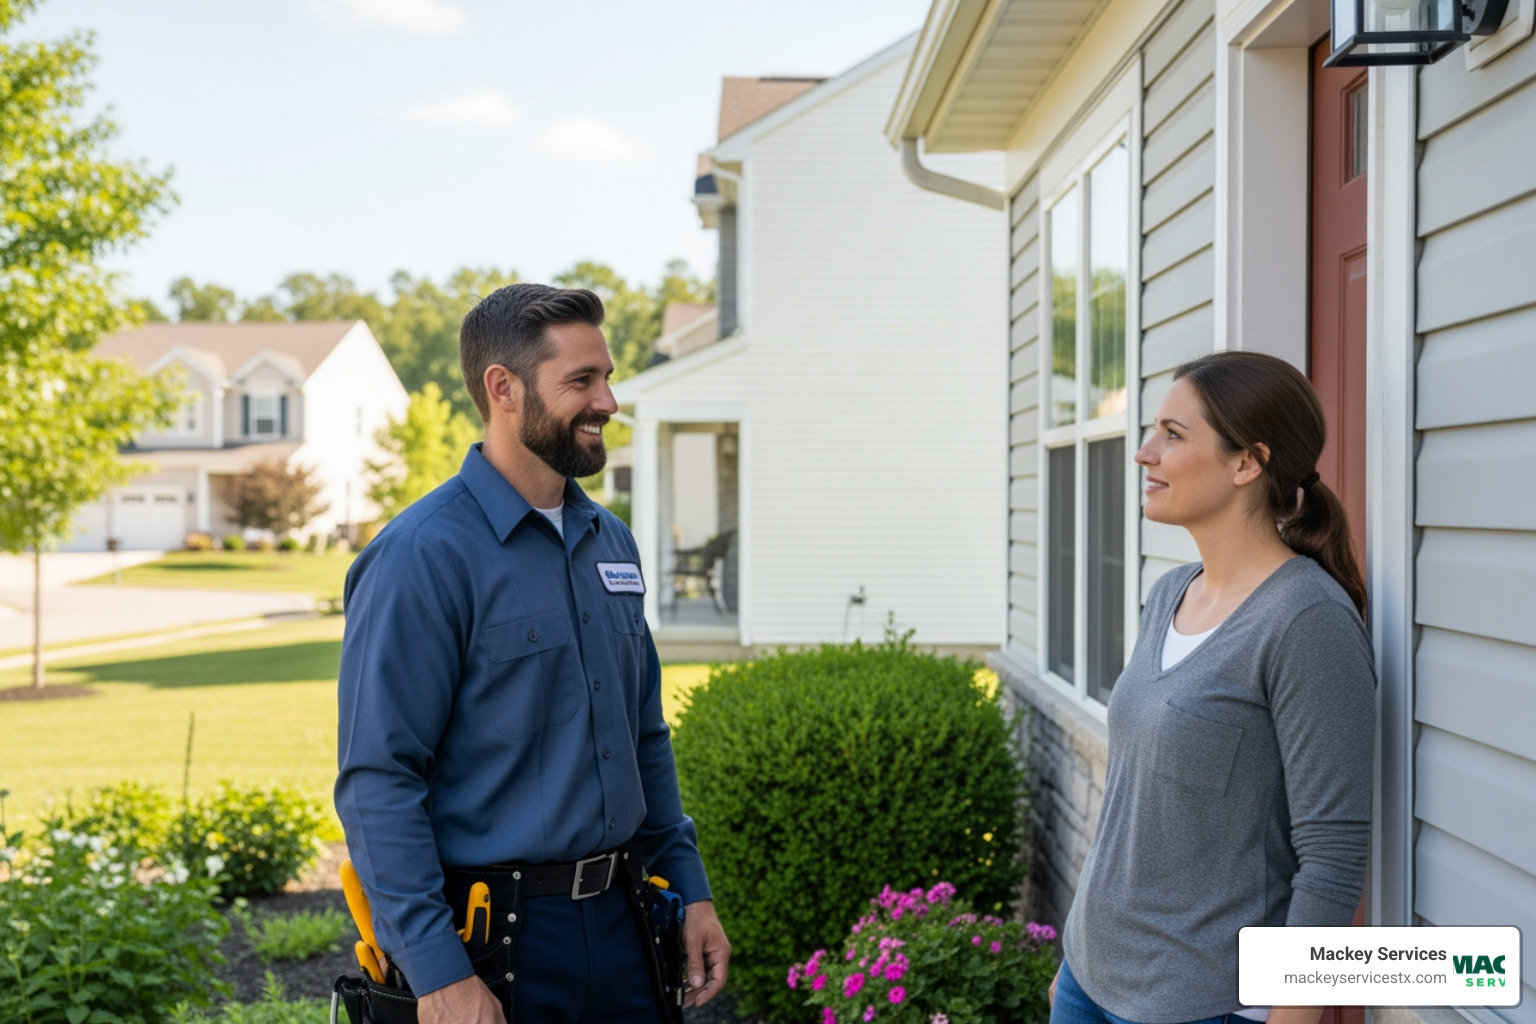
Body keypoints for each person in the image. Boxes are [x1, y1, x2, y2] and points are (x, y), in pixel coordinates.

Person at [335, 283, 730, 1024]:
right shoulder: (420, 558)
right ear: (503, 388)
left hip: (625, 929)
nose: (607, 400)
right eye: (581, 380)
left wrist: (691, 888)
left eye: (606, 376)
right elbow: (379, 782)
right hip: (491, 944)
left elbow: (643, 737)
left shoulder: (611, 543)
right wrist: (437, 971)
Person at [1048, 351, 1375, 1024]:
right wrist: (1070, 966)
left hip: (1201, 1003)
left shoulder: (1306, 622)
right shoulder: (1169, 593)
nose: (1144, 454)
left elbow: (1333, 860)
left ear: (1246, 462)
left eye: (1173, 434)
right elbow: (1131, 808)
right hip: (1090, 978)